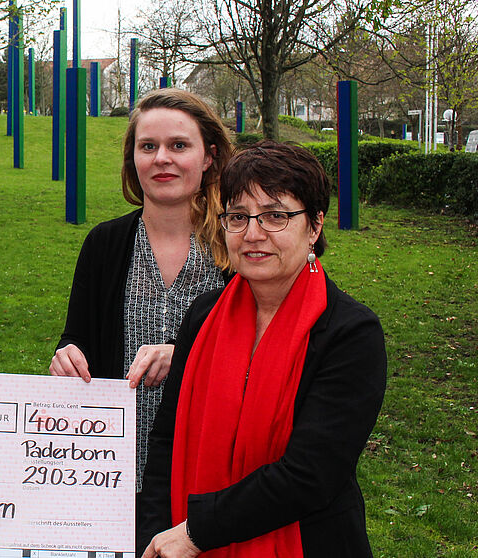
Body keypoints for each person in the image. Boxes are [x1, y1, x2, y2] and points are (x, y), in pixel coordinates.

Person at [138, 141, 387, 558]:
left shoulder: (350, 333)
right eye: (238, 217)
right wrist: (154, 534)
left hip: (306, 543)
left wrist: (196, 532)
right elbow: (166, 439)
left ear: (314, 226)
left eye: (275, 216)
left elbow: (310, 475)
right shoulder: (204, 315)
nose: (253, 234)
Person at [50, 89, 233, 493]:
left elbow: (259, 351)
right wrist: (68, 355)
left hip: (211, 475)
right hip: (115, 474)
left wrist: (184, 355)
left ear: (208, 156)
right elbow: (77, 337)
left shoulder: (238, 245)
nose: (162, 158)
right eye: (148, 146)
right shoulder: (105, 244)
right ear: (133, 158)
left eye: (179, 145)